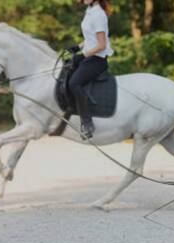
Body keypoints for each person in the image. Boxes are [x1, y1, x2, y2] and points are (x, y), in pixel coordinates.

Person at [70, 0, 114, 139]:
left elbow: (101, 45)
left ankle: (87, 123)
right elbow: (90, 38)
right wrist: (77, 47)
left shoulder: (99, 14)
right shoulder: (90, 10)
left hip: (97, 59)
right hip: (89, 56)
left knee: (74, 83)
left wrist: (82, 55)